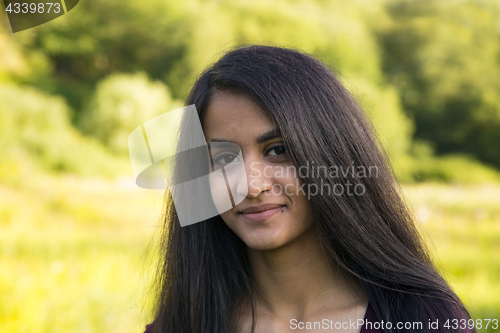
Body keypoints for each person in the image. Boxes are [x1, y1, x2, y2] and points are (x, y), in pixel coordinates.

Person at [142, 45, 474, 333]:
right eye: (225, 158)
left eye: (277, 150)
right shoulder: (181, 324)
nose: (252, 185)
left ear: (330, 154)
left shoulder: (424, 320)